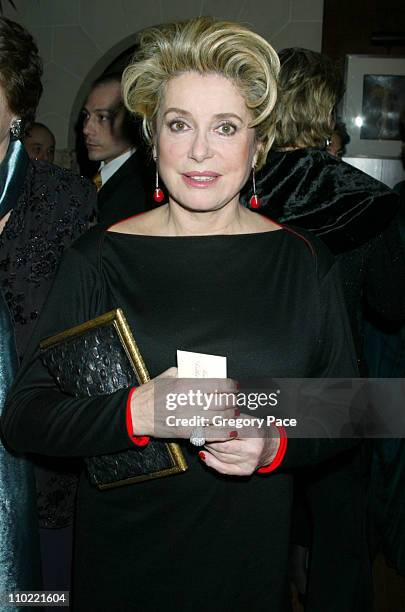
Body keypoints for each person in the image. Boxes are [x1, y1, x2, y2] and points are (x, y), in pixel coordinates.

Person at [3, 18, 360, 611]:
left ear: (257, 143)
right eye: (179, 125)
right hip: (123, 566)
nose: (200, 151)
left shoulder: (303, 261)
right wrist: (138, 410)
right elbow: (26, 417)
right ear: (152, 138)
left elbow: (353, 408)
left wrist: (272, 440)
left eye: (225, 127)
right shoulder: (100, 257)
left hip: (248, 566)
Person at [241, 47, 405, 611]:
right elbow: (391, 305)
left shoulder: (229, 187)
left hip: (255, 388)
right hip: (344, 393)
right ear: (326, 109)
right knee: (343, 545)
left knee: (258, 532)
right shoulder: (364, 197)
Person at [0, 16, 96, 599]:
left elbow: (89, 354)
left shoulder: (68, 203)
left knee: (43, 597)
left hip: (44, 481)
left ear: (17, 108)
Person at [81, 72, 153, 225]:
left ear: (132, 119)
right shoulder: (94, 177)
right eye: (86, 116)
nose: (87, 129)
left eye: (102, 117)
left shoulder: (141, 190)